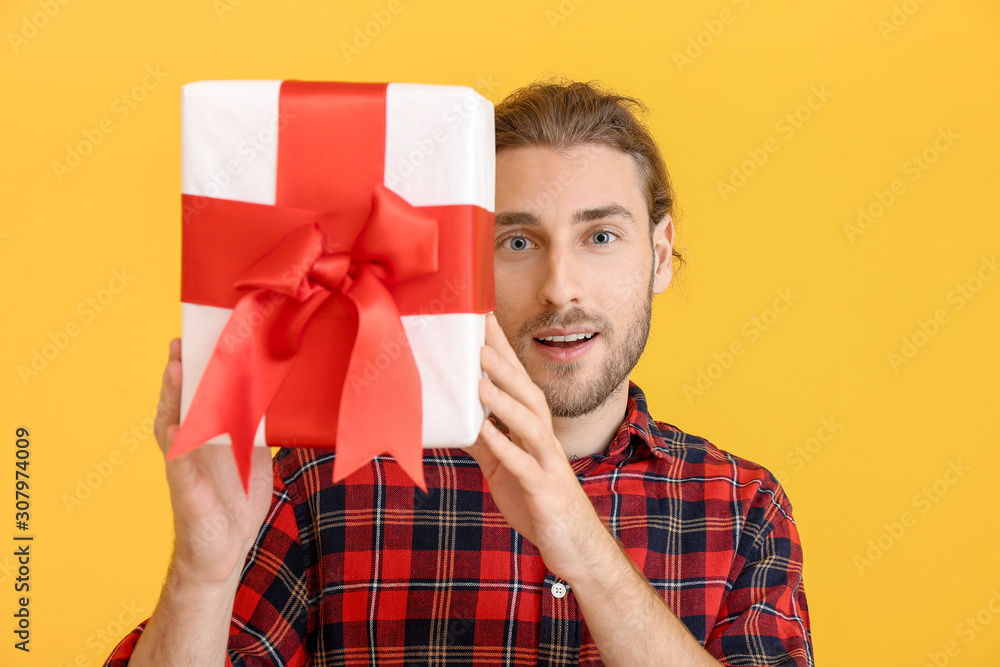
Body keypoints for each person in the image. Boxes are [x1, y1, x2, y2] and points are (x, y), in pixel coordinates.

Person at [105, 80, 813, 666]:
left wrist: (584, 545)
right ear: (466, 260)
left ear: (659, 254)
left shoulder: (744, 507)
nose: (560, 286)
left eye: (601, 236)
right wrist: (202, 574)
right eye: (516, 240)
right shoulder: (326, 481)